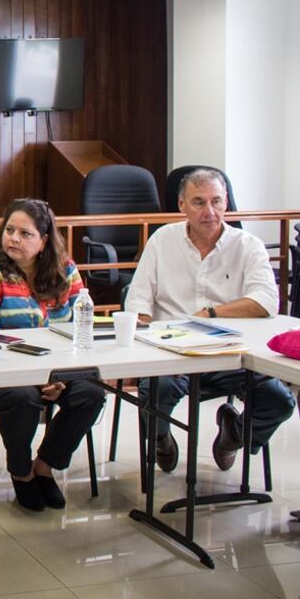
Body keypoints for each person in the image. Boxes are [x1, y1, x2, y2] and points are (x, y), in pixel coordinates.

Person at [125, 167, 295, 473]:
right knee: (154, 390)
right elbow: (137, 300)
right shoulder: (162, 240)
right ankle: (161, 439)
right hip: (171, 354)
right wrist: (144, 336)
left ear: (226, 202)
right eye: (199, 202)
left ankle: (233, 436)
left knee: (279, 401)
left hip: (231, 355)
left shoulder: (247, 245)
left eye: (216, 201)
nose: (210, 211)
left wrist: (211, 314)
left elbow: (267, 301)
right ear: (181, 206)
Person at [0, 198, 106, 511]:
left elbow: (78, 329)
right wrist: (37, 378)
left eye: (25, 234)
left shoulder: (65, 269)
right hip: (3, 369)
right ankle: (21, 470)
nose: (13, 238)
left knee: (91, 394)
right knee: (22, 397)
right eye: (9, 230)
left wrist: (60, 377)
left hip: (60, 369)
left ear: (43, 242)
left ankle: (45, 465)